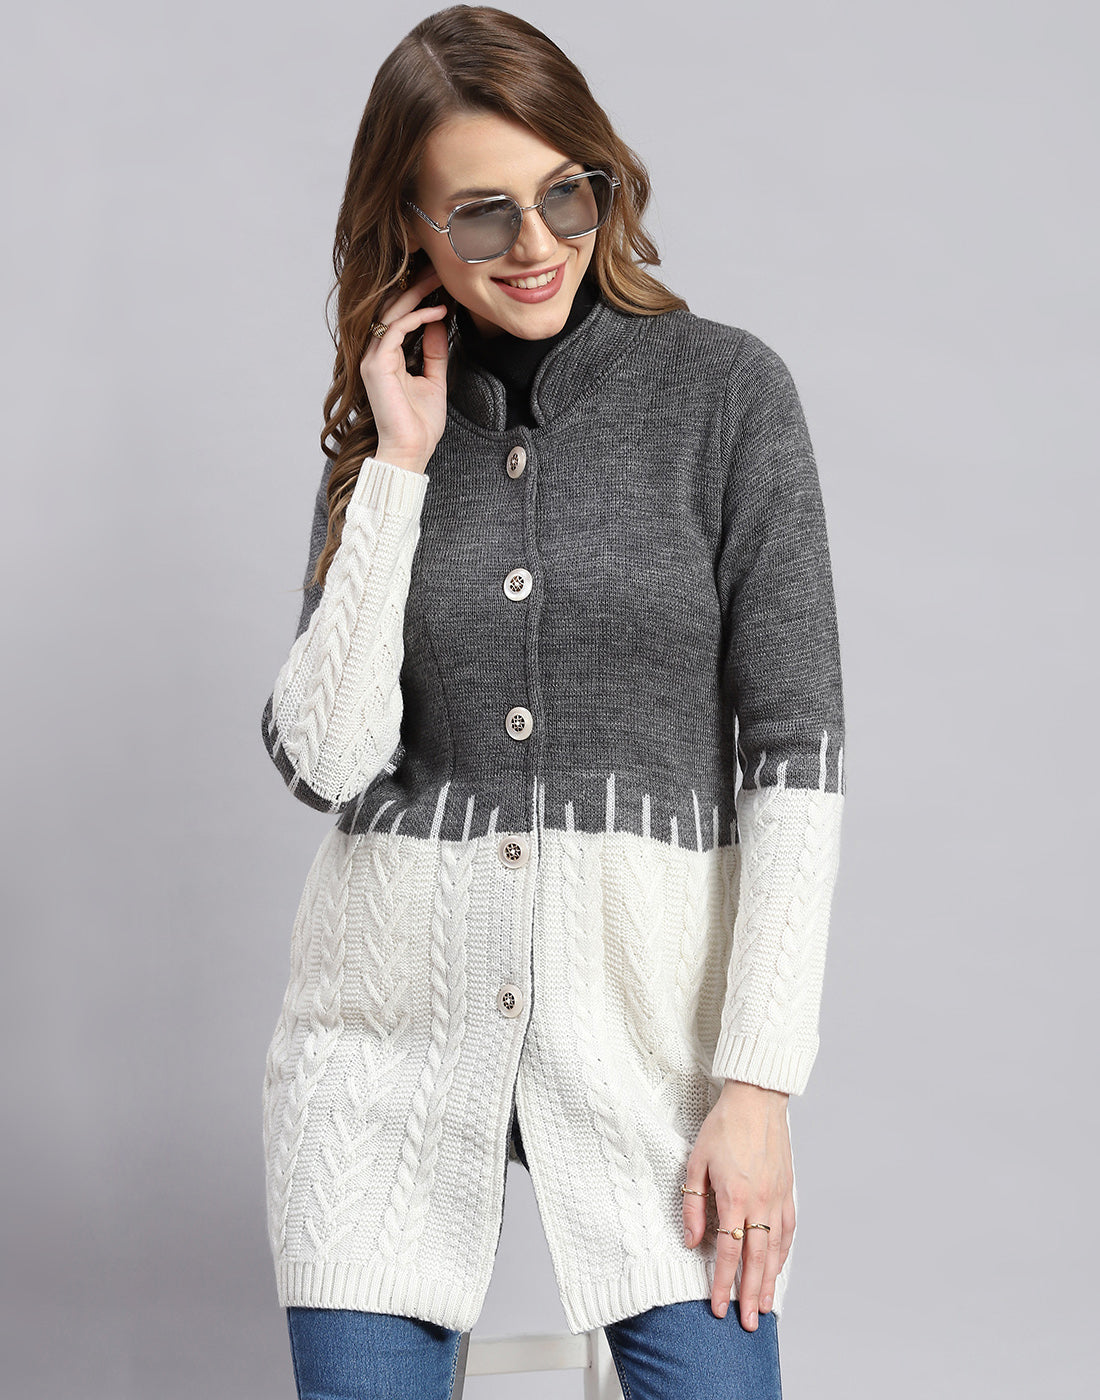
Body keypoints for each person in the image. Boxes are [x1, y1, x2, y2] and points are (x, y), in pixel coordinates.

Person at [260, 6, 845, 1398]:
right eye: (481, 213)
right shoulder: (382, 440)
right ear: (409, 226)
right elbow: (327, 761)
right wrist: (398, 465)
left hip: (654, 1054)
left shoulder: (725, 397)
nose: (536, 244)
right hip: (380, 1057)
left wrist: (757, 1089)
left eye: (566, 195)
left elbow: (794, 763)